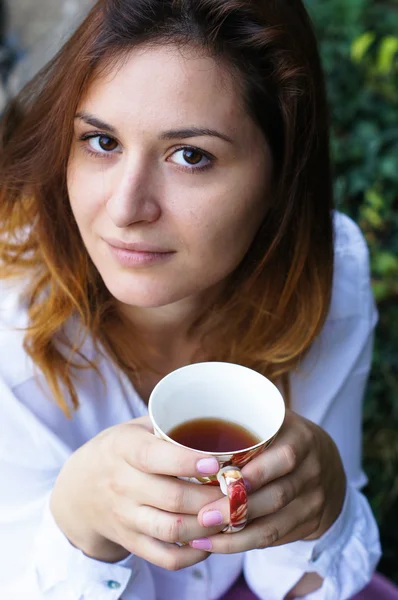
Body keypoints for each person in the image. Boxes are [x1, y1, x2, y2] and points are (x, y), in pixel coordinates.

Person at [0, 0, 381, 598]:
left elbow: (298, 581)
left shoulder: (330, 275)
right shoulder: (8, 317)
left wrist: (324, 499)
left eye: (191, 156)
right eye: (101, 141)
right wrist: (78, 522)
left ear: (281, 173)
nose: (126, 210)